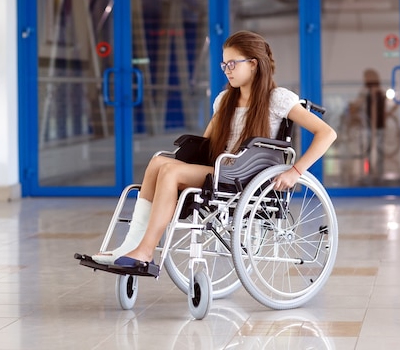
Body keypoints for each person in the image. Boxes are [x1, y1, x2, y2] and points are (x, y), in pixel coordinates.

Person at [92, 30, 337, 268]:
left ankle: (145, 251)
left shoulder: (278, 98)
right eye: (224, 65)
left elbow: (327, 133)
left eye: (232, 64)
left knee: (171, 172)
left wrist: (295, 171)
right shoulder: (224, 100)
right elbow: (206, 142)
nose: (227, 70)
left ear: (253, 64)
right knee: (159, 162)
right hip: (221, 170)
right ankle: (130, 245)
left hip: (246, 174)